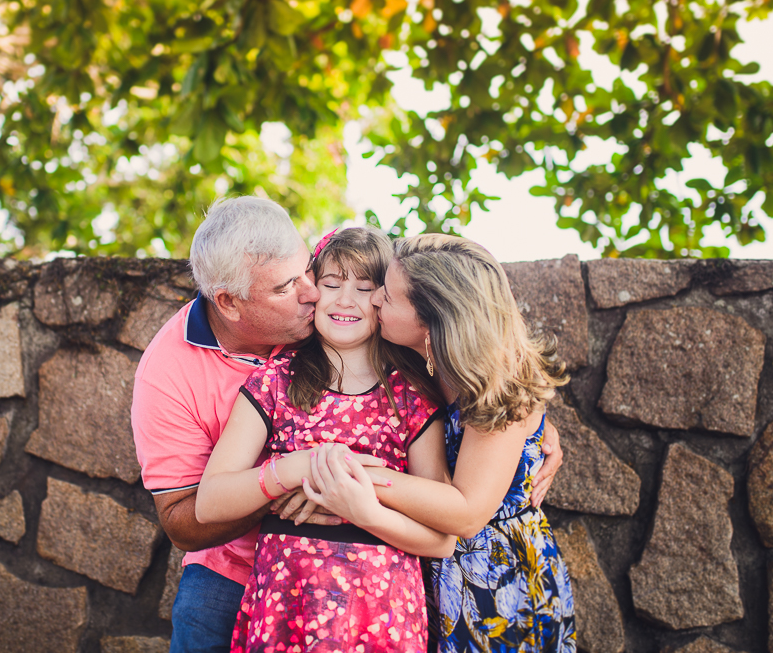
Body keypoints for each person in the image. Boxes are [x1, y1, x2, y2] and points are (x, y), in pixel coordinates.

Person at [130, 197, 564, 653]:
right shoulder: (211, 375)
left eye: (307, 275)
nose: (314, 294)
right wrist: (304, 472)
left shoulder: (411, 385)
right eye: (291, 287)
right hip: (248, 578)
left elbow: (455, 293)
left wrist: (533, 429)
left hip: (388, 603)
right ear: (230, 303)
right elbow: (190, 514)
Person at [195, 226, 459, 653]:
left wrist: (360, 504)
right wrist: (299, 467)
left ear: (384, 302)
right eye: (332, 284)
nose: (345, 300)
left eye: (365, 287)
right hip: (287, 601)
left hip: (382, 611)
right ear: (312, 290)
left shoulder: (412, 397)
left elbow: (442, 538)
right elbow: (209, 502)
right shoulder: (274, 382)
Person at [366, 234, 576, 651]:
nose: (373, 299)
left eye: (388, 296)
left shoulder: (497, 381)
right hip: (442, 574)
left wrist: (357, 475)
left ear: (434, 319)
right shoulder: (429, 362)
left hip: (500, 587)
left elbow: (467, 514)